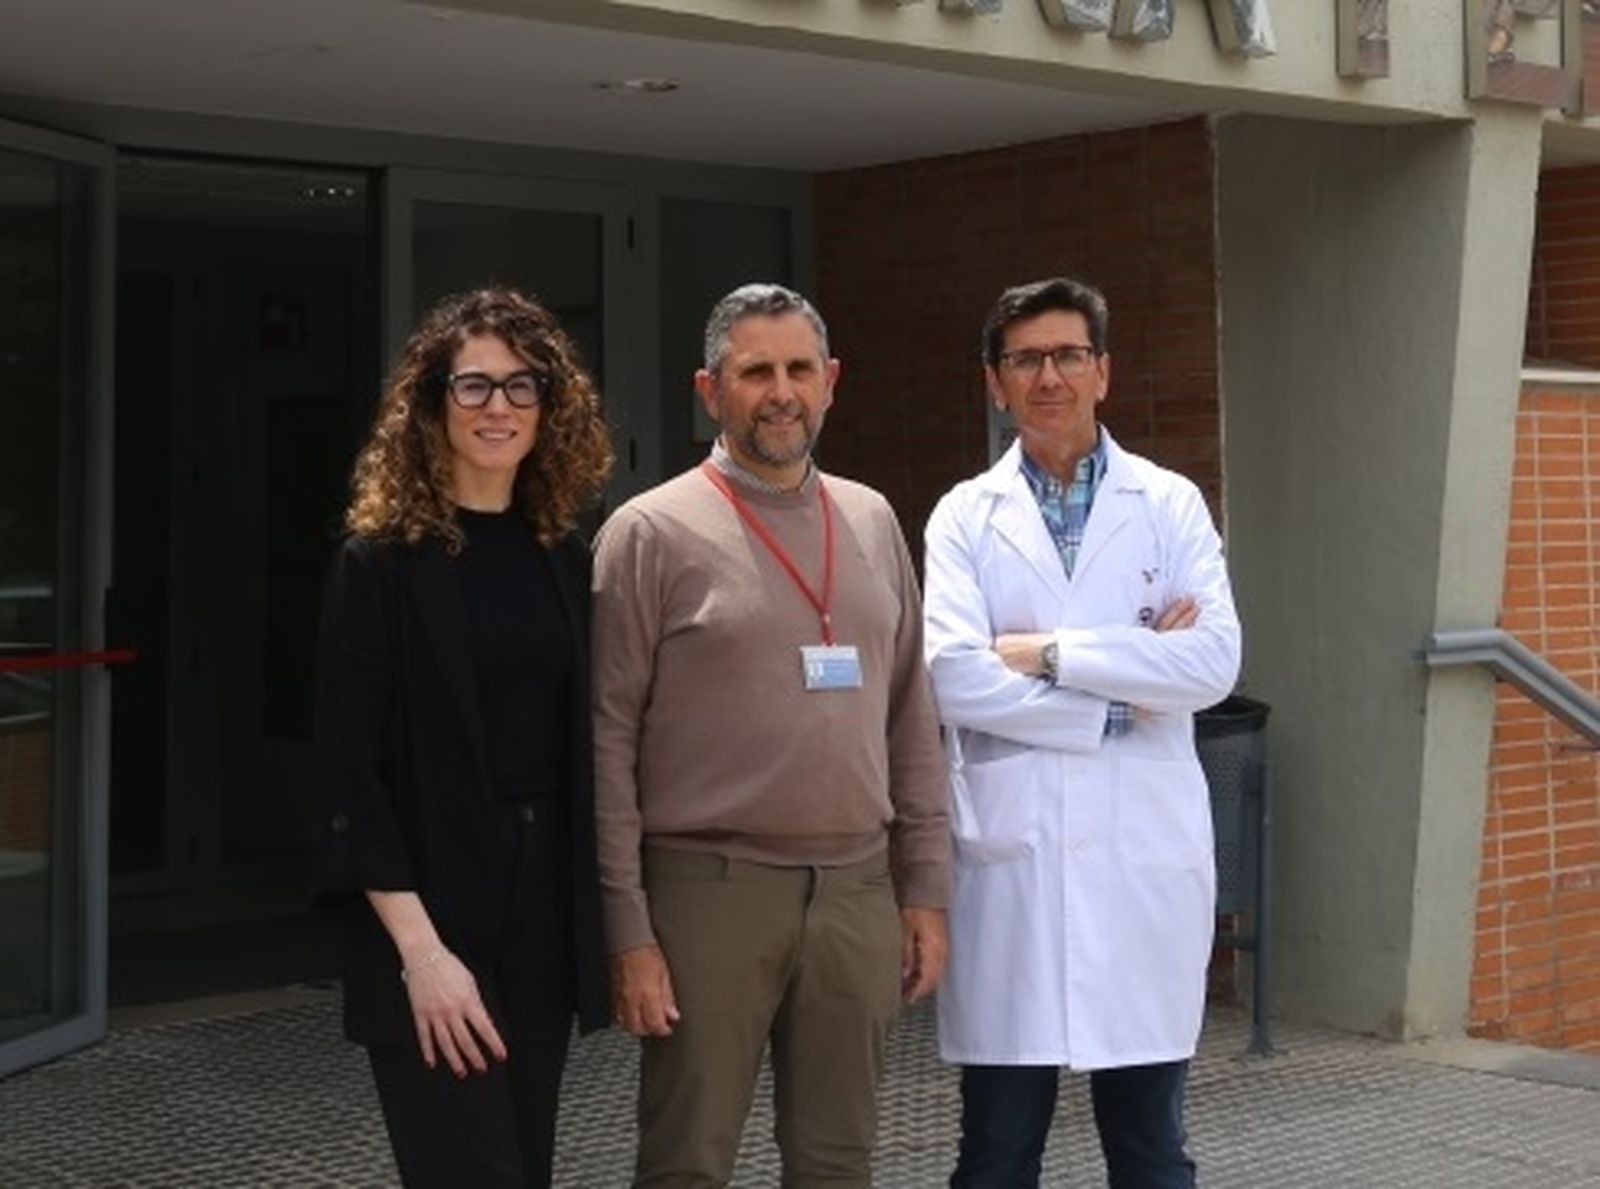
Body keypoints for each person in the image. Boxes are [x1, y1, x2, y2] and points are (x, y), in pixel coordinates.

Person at [591, 282, 952, 1187]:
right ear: (710, 391)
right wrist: (626, 929)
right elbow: (606, 742)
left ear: (830, 382)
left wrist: (925, 889)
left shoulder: (871, 518)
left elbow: (911, 711)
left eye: (799, 369)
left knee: (838, 1159)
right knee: (688, 1159)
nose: (780, 391)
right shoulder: (648, 532)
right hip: (706, 893)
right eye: (755, 371)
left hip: (857, 892)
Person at [921, 277, 1242, 1188]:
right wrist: (1122, 687)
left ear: (1103, 371)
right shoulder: (964, 515)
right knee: (995, 1154)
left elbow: (1213, 664)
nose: (1048, 376)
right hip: (1013, 870)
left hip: (1140, 867)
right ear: (996, 381)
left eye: (1068, 355)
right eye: (1026, 359)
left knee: (1150, 1152)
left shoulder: (1168, 502)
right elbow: (951, 675)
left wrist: (1049, 652)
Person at [311, 286, 614, 1188]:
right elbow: (349, 774)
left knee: (523, 1166)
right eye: (473, 385)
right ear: (431, 400)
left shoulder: (564, 552)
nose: (499, 409)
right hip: (431, 911)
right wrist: (424, 955)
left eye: (523, 388)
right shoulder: (378, 563)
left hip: (541, 914)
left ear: (549, 409)